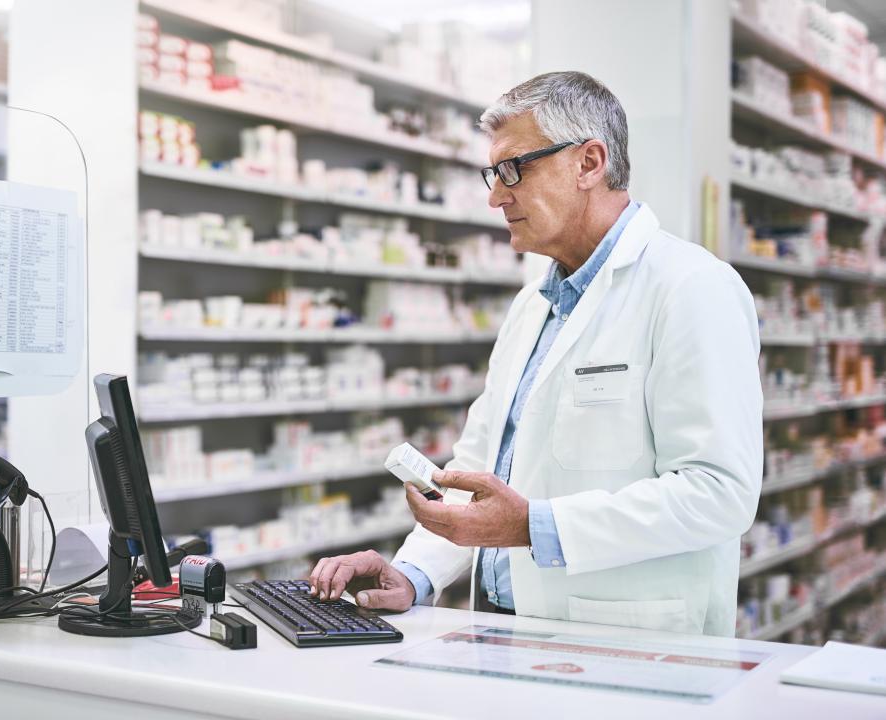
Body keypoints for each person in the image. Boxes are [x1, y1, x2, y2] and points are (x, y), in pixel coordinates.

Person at [310, 71, 762, 637]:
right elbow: (478, 468)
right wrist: (412, 574)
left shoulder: (692, 288)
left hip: (628, 639)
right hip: (504, 628)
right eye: (492, 174)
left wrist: (534, 526)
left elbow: (719, 494)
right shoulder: (533, 305)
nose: (496, 195)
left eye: (513, 169)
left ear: (589, 163)